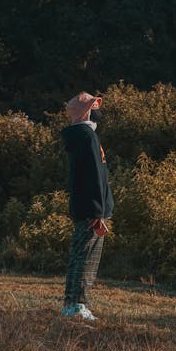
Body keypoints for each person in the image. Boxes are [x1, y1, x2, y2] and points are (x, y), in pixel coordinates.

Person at [60, 91, 114, 320]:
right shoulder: (87, 136)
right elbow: (93, 176)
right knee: (86, 258)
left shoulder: (79, 135)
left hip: (86, 206)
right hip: (91, 208)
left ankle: (71, 304)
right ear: (87, 110)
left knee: (79, 255)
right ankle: (78, 305)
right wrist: (96, 211)